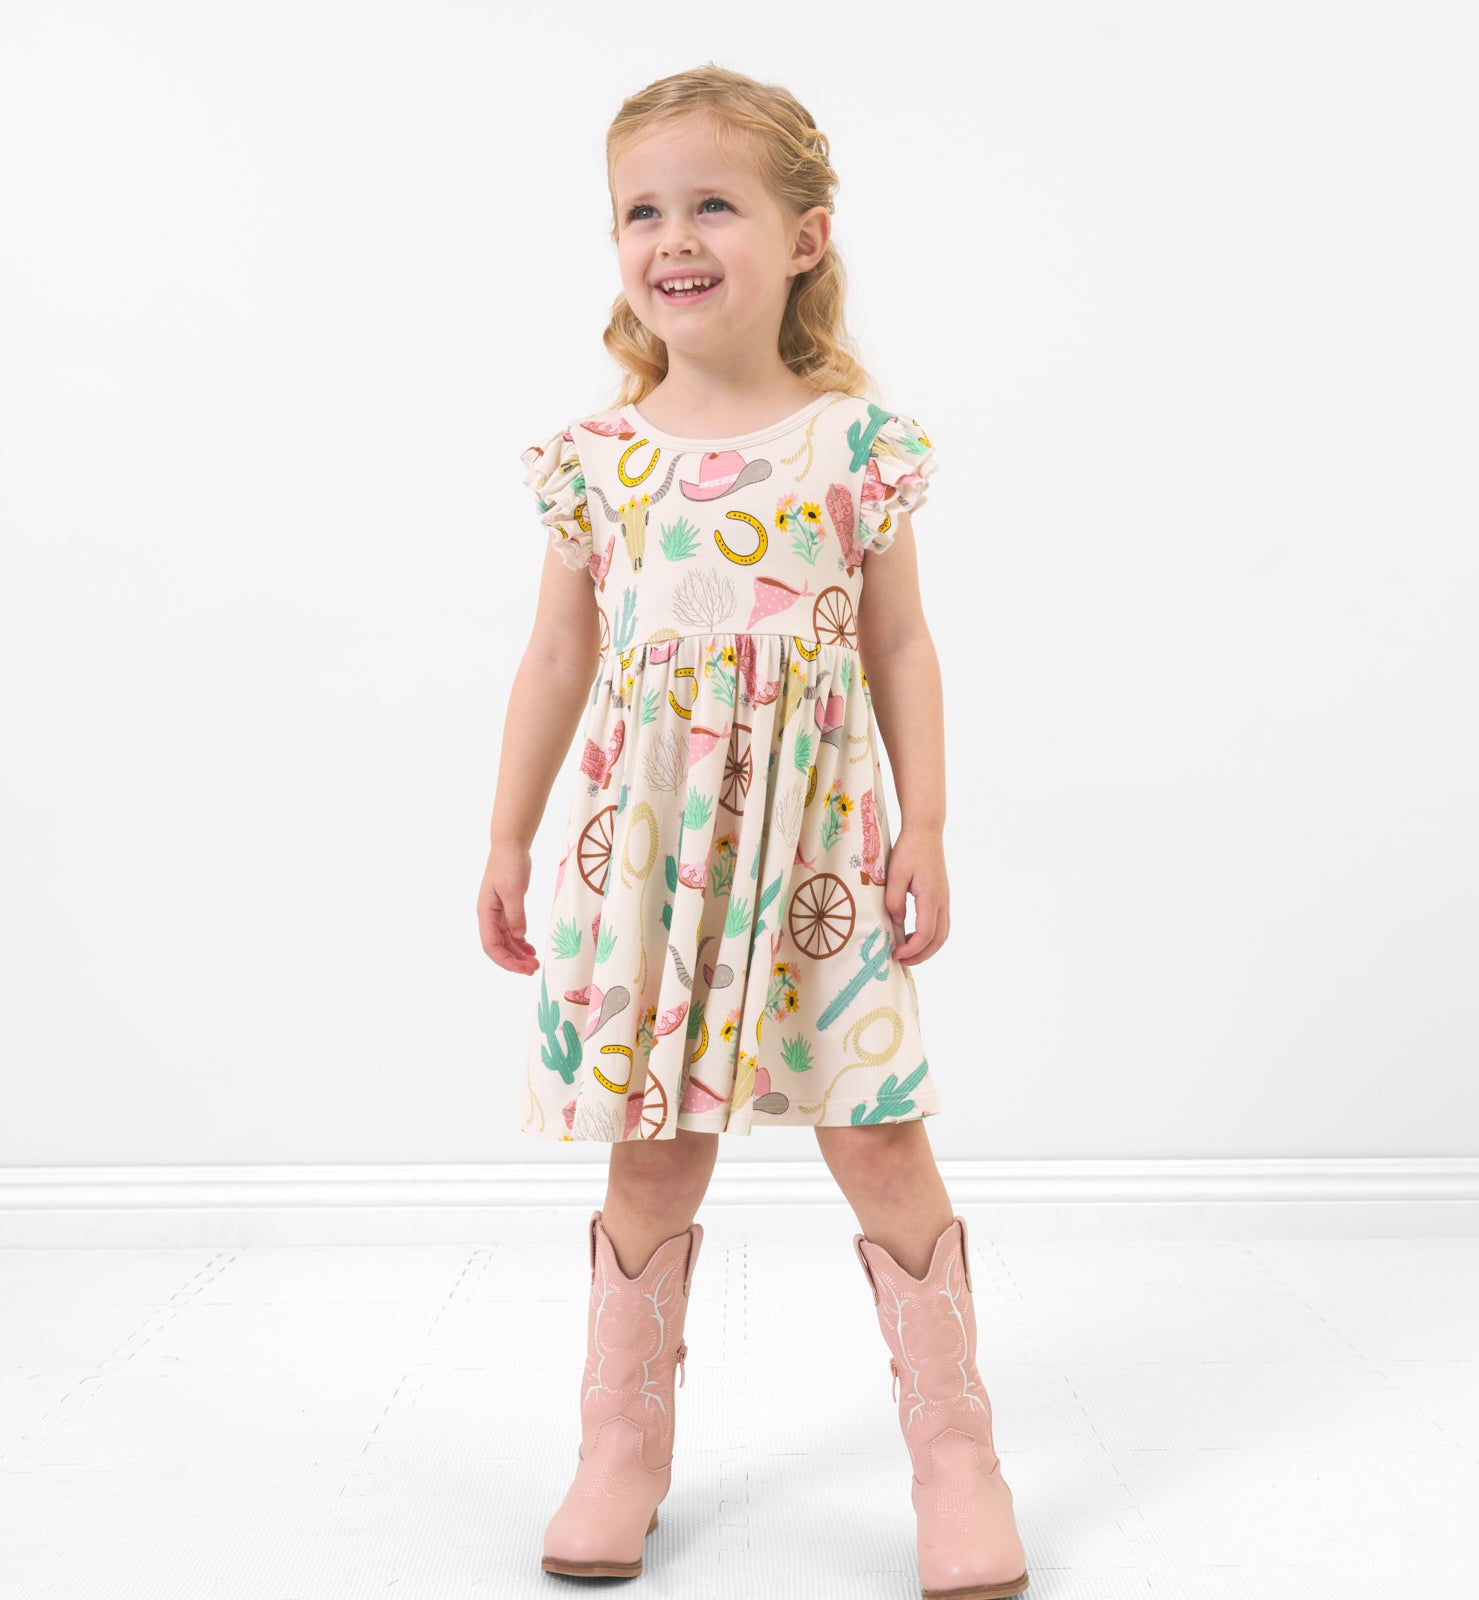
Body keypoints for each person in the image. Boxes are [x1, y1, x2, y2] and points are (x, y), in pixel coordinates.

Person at [478, 63, 1029, 1599]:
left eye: (712, 200)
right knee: (652, 1164)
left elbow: (900, 648)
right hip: (654, 861)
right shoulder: (597, 461)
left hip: (816, 865)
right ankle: (620, 1445)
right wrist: (510, 839)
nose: (674, 236)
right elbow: (556, 661)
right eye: (642, 210)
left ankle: (955, 1455)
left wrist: (927, 825)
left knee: (880, 1136)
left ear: (803, 234)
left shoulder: (855, 445)